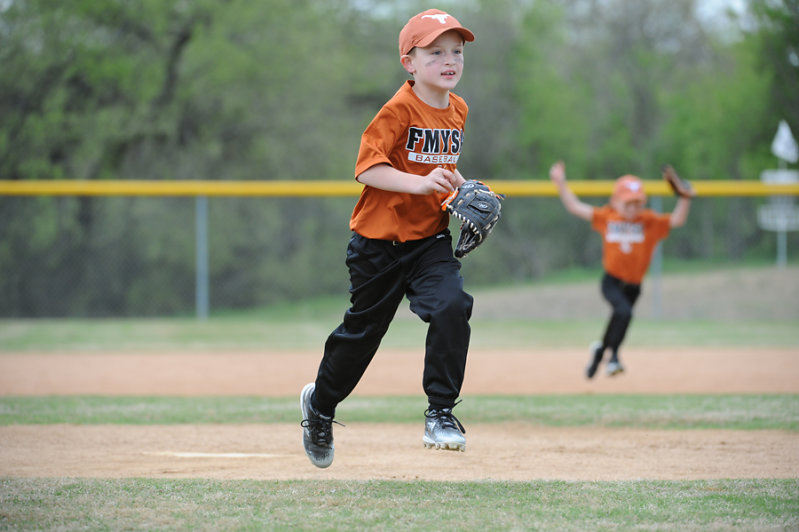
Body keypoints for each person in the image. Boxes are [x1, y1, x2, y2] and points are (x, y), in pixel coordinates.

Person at [300, 9, 477, 468]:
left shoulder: (458, 109)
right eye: (434, 52)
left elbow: (441, 166)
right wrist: (420, 184)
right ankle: (320, 405)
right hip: (378, 243)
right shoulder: (398, 109)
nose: (449, 60)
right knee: (363, 335)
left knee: (452, 306)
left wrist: (465, 187)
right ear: (409, 63)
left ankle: (440, 413)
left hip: (429, 241)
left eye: (456, 51)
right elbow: (368, 168)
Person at [549, 161, 692, 379]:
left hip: (634, 284)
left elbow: (678, 220)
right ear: (615, 201)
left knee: (620, 320)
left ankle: (600, 354)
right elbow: (574, 206)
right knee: (624, 312)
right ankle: (614, 357)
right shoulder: (608, 217)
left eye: (637, 203)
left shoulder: (648, 221)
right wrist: (561, 183)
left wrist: (684, 198)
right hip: (612, 281)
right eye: (628, 203)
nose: (633, 208)